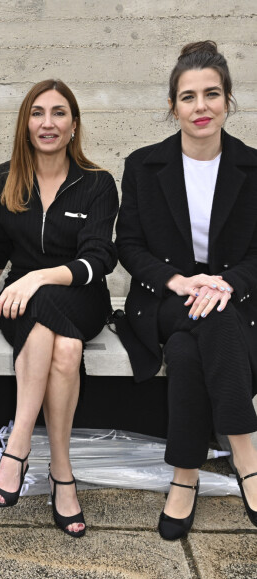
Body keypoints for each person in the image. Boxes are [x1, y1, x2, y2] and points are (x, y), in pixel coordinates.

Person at [115, 41, 257, 540]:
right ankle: (247, 457)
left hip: (232, 300)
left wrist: (227, 283)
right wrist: (177, 280)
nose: (201, 107)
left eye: (211, 94)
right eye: (189, 97)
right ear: (172, 105)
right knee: (204, 319)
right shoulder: (143, 165)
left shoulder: (253, 167)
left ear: (228, 100)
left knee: (189, 344)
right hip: (163, 297)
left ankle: (184, 476)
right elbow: (127, 245)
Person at [0, 79, 118, 537]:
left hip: (81, 297)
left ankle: (17, 447)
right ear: (26, 123)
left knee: (47, 302)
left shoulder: (97, 183)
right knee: (66, 352)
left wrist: (37, 276)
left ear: (74, 124)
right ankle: (62, 473)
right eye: (38, 113)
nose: (48, 122)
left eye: (59, 113)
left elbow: (99, 259)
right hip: (21, 301)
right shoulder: (3, 178)